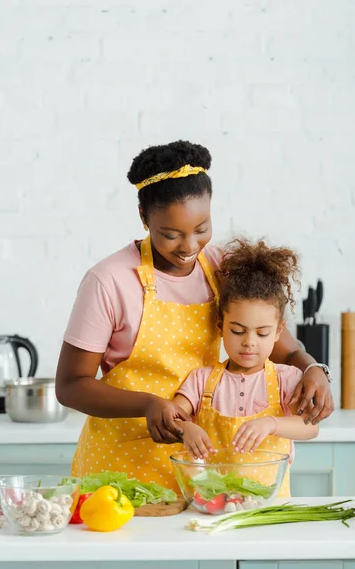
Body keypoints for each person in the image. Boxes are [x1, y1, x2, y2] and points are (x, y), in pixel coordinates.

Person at [56, 140, 333, 489]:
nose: (189, 247)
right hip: (122, 464)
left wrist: (312, 369)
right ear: (144, 217)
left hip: (202, 468)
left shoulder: (219, 268)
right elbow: (70, 386)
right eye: (171, 234)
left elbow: (281, 346)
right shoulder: (108, 281)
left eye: (201, 229)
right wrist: (149, 405)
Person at [173, 238, 319, 496]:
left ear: (278, 332)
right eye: (238, 331)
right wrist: (187, 427)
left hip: (268, 509)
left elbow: (311, 426)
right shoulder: (201, 380)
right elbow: (174, 416)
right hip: (213, 505)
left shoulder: (286, 378)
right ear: (221, 327)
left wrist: (272, 424)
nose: (249, 343)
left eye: (262, 334)